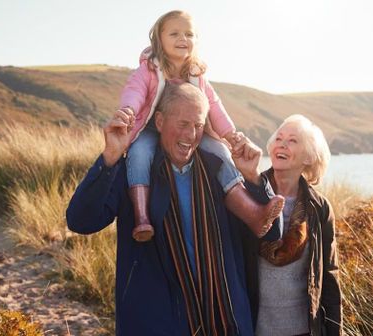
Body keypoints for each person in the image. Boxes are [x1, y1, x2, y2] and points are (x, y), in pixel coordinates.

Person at [67, 82, 282, 335]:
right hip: (158, 324)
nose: (191, 135)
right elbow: (81, 221)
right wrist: (110, 157)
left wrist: (254, 178)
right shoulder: (135, 174)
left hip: (227, 322)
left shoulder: (222, 172)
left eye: (198, 126)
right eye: (182, 124)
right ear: (159, 122)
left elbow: (270, 233)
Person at [118, 10, 284, 242]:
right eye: (174, 33)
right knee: (139, 154)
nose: (182, 39)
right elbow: (134, 91)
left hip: (191, 130)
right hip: (150, 129)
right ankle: (142, 217)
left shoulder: (197, 74)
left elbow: (214, 105)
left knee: (221, 152)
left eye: (189, 34)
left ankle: (253, 213)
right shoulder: (149, 69)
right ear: (159, 38)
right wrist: (128, 110)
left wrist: (230, 134)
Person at [241, 115, 342, 336]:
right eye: (279, 138)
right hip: (253, 328)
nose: (282, 144)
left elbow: (329, 275)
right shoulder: (247, 195)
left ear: (308, 157)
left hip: (305, 331)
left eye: (293, 141)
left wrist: (335, 331)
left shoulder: (319, 208)